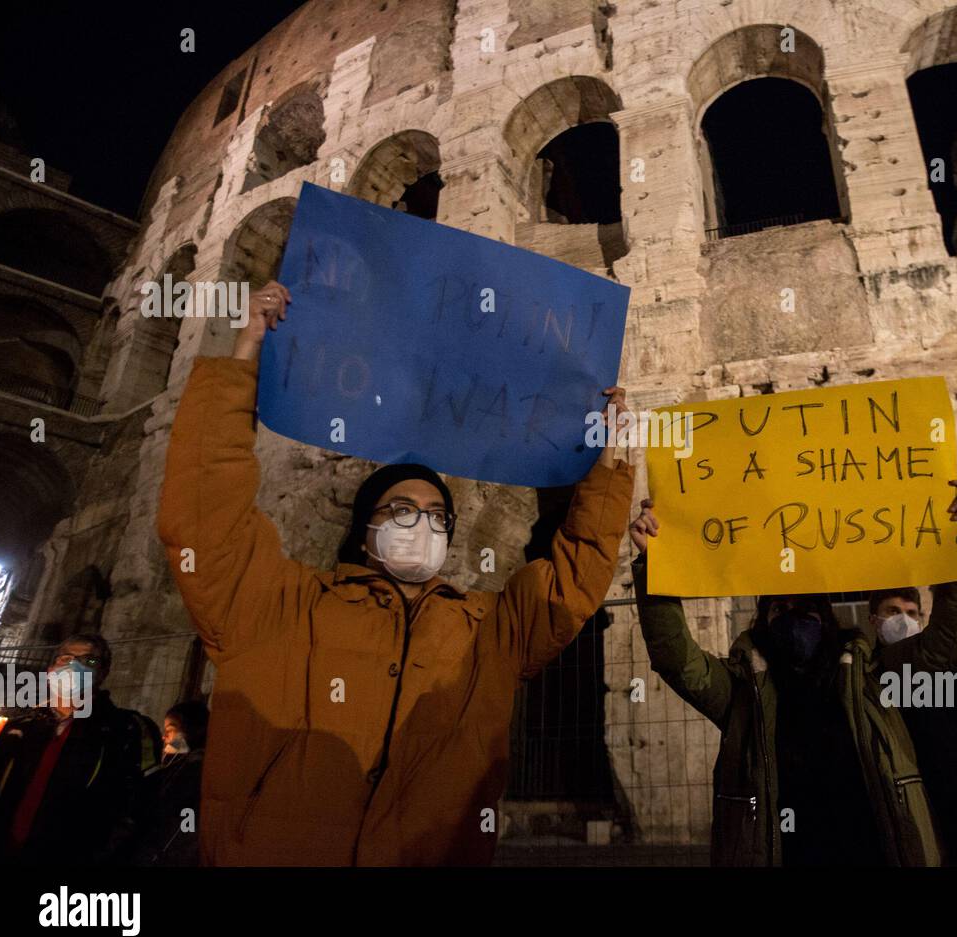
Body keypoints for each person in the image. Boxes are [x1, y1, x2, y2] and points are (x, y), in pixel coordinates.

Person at [157, 280, 634, 865]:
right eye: (401, 511)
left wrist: (610, 457)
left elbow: (575, 575)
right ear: (365, 530)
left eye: (437, 515)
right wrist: (244, 353)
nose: (422, 524)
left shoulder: (487, 631)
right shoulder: (281, 605)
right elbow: (207, 513)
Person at [630, 480, 957, 866]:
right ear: (763, 623)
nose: (794, 620)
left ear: (827, 620)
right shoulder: (741, 690)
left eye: (806, 609)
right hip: (783, 852)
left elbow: (947, 645)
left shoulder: (873, 673)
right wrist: (655, 566)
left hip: (870, 851)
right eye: (779, 611)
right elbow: (677, 661)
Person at [866, 585, 957, 866]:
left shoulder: (950, 669)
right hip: (901, 822)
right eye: (893, 611)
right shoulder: (867, 676)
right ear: (874, 620)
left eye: (911, 613)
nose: (903, 620)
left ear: (921, 620)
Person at [0, 635, 145, 865]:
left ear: (103, 672)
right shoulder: (19, 728)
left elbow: (134, 807)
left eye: (89, 661)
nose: (75, 666)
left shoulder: (123, 731)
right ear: (51, 669)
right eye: (66, 658)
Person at [131, 700, 209, 866]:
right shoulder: (175, 763)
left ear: (192, 731)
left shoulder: (194, 768)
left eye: (170, 730)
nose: (164, 737)